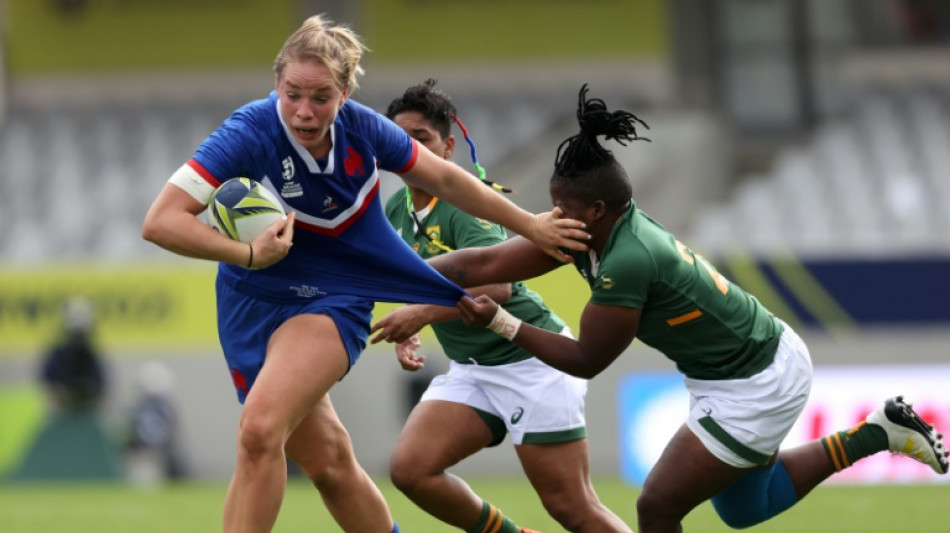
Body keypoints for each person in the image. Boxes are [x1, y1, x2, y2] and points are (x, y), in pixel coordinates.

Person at [412, 84, 949, 532]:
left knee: (657, 506)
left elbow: (585, 360)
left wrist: (502, 322)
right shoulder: (595, 231)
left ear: (596, 210)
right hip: (737, 369)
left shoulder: (629, 259)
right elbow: (479, 265)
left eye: (561, 208)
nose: (551, 217)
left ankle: (878, 435)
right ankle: (877, 433)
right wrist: (388, 274)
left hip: (758, 379)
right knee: (746, 508)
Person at [140, 14, 589, 533]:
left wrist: (530, 224)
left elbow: (444, 176)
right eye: (292, 94)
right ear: (276, 84)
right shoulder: (248, 131)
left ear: (346, 92)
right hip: (248, 301)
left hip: (331, 299)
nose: (305, 111)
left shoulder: (364, 129)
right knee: (329, 463)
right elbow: (160, 221)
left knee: (260, 430)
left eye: (321, 96)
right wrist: (245, 256)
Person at [370, 79, 632, 533]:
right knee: (411, 470)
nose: (408, 149)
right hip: (474, 368)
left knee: (572, 508)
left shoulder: (465, 203)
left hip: (531, 361)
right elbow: (421, 282)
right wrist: (413, 322)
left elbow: (502, 288)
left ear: (448, 147)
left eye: (422, 139)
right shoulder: (395, 210)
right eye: (399, 140)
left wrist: (421, 314)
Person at [40, 296, 106, 414]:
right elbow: (48, 380)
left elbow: (100, 384)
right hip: (62, 413)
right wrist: (60, 394)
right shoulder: (59, 354)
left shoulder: (91, 355)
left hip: (86, 412)